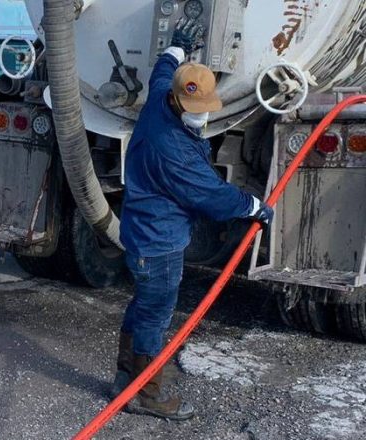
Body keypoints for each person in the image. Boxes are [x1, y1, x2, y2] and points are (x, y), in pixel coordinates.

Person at [113, 19, 274, 420]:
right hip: (161, 242)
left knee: (143, 304)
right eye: (194, 111)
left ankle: (124, 378)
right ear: (176, 102)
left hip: (140, 232)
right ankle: (147, 394)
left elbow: (162, 69)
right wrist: (254, 207)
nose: (200, 118)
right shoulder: (176, 152)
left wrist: (178, 47)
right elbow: (215, 197)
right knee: (156, 313)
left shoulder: (157, 102)